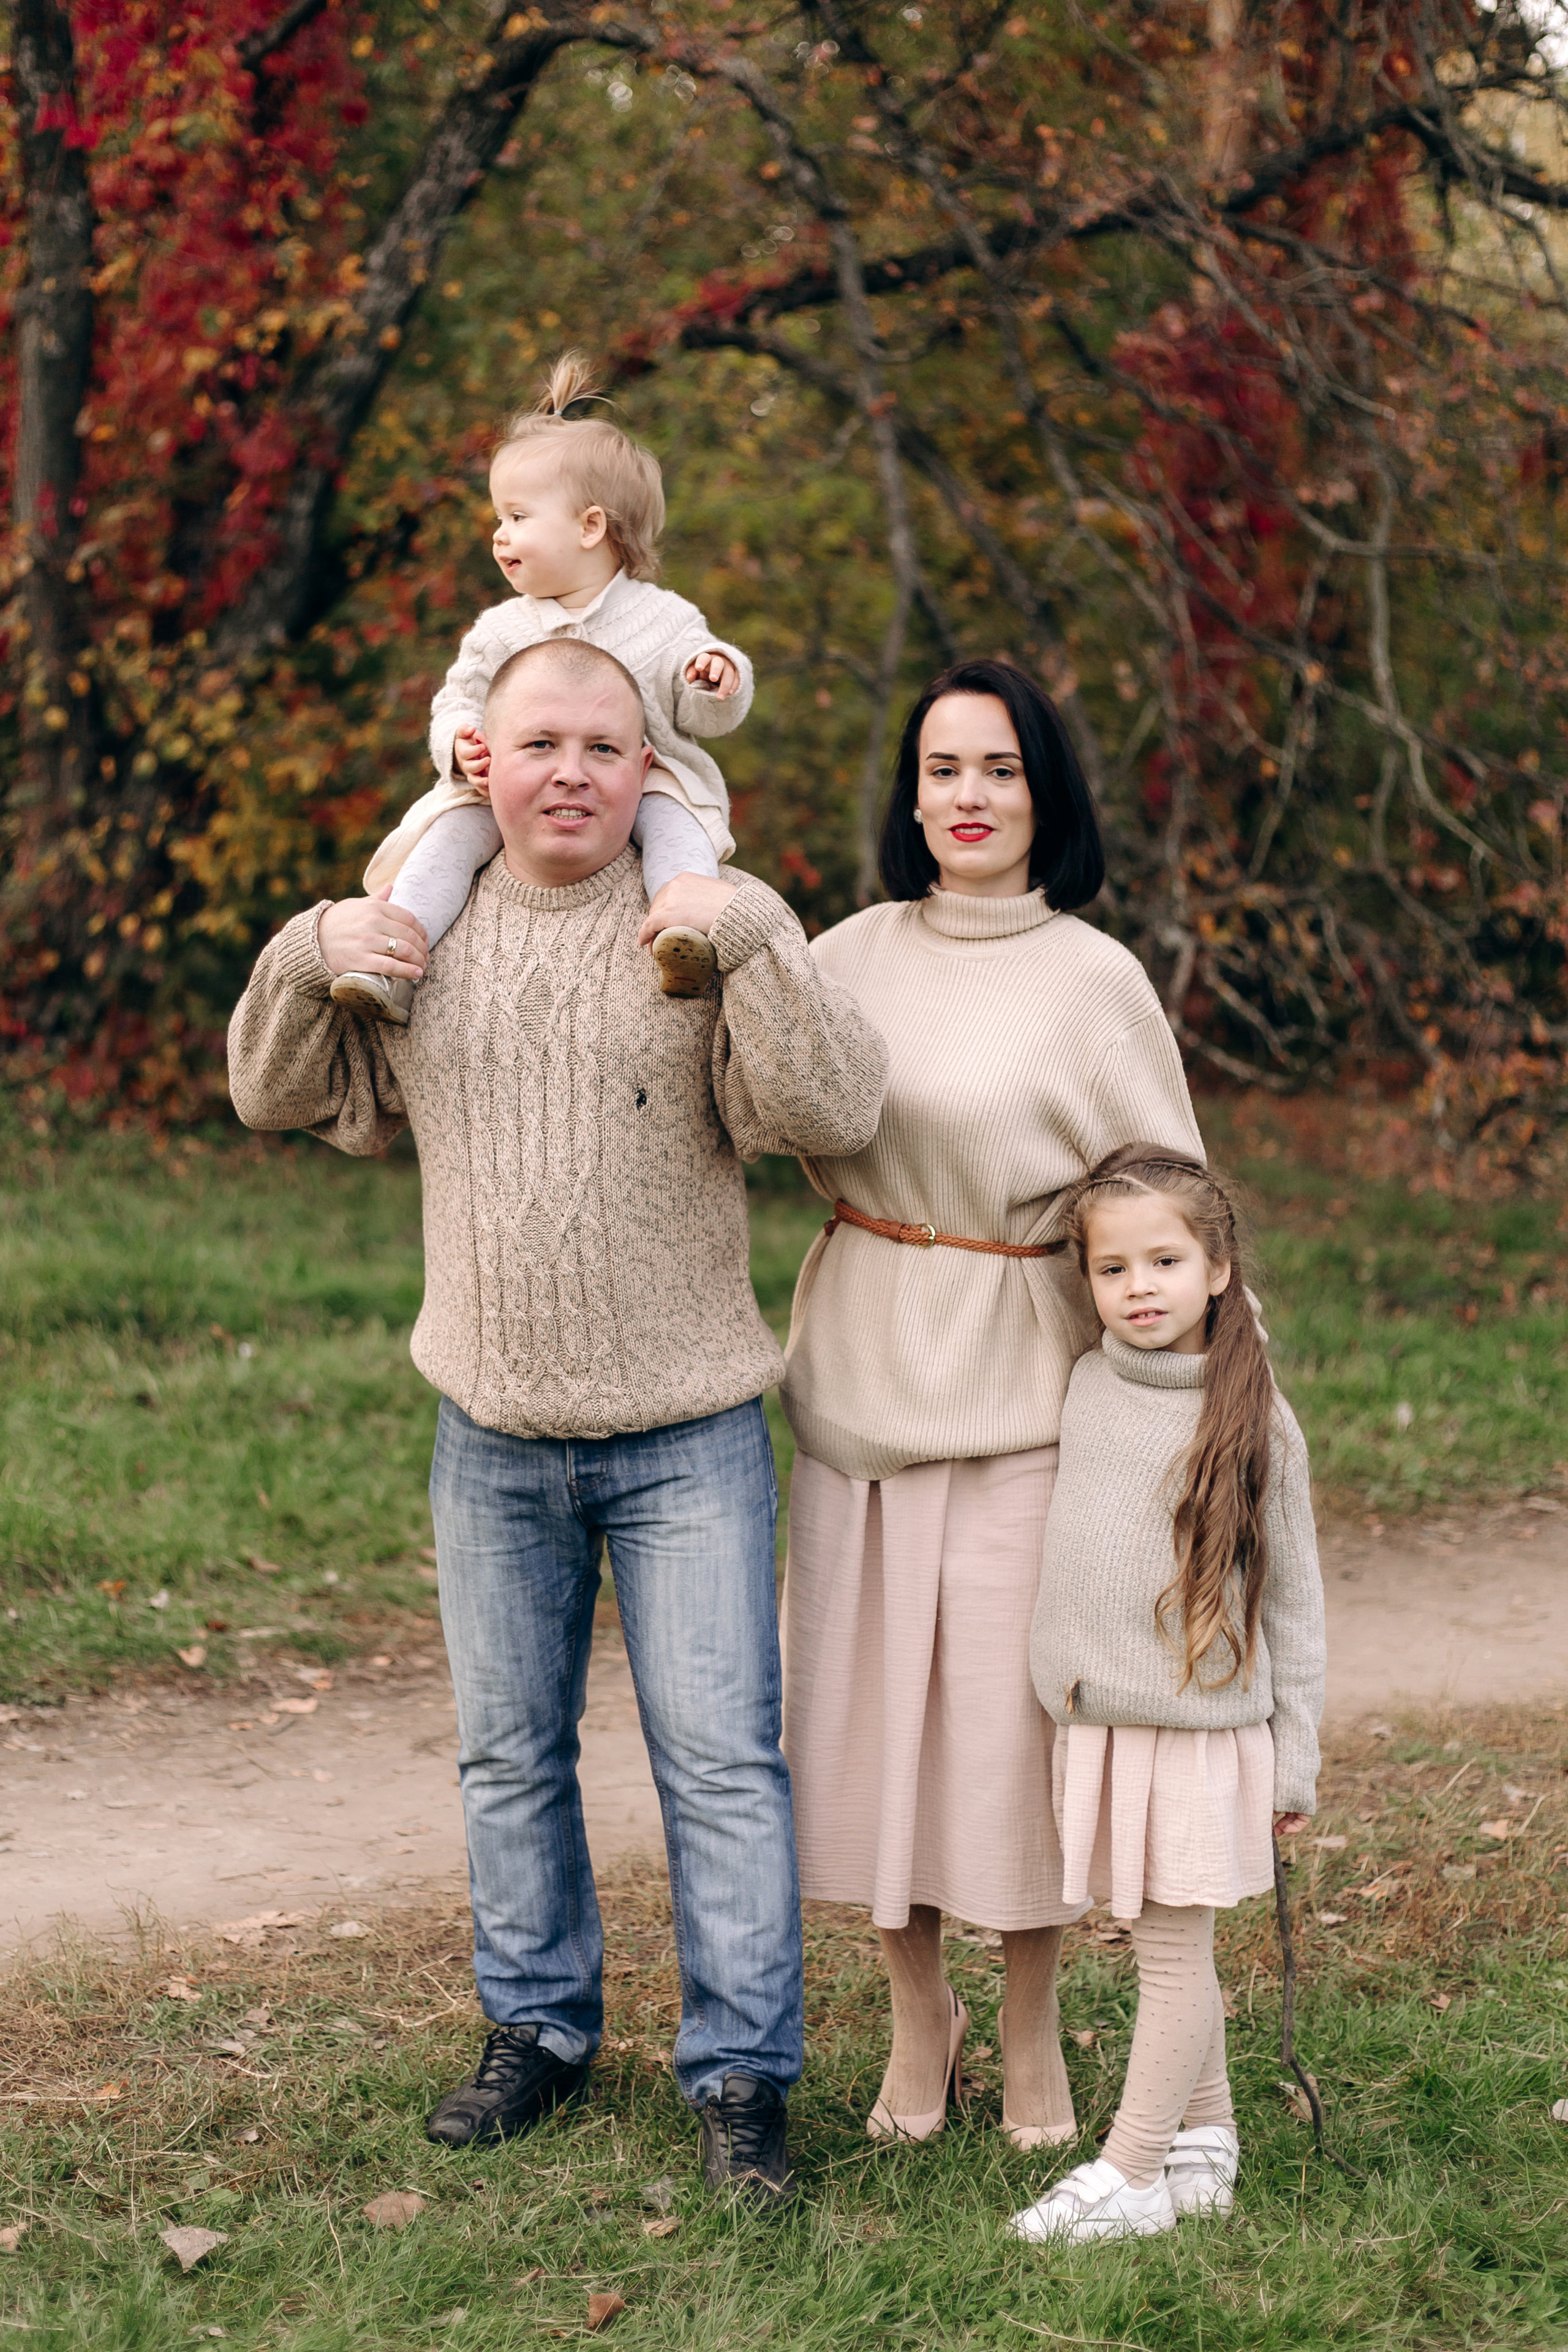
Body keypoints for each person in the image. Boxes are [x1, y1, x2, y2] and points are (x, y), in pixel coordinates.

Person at [226, 636, 888, 2204]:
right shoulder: (421, 930)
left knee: (721, 1762)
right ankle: (536, 2027)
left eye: (606, 743)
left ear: (648, 767)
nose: (572, 770)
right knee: (508, 1755)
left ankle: (739, 2077)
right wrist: (313, 941)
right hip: (493, 1425)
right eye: (541, 743)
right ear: (485, 761)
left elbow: (830, 1112)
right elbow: (271, 1090)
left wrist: (752, 945)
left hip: (686, 1433)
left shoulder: (699, 924)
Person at [779, 658, 1205, 2149]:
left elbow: (1174, 1193)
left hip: (1026, 1394)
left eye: (1000, 770)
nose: (968, 796)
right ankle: (916, 2020)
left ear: (1046, 798)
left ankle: (1028, 2032)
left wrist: (1227, 1410)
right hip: (856, 1383)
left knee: (1002, 1745)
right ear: (911, 791)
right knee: (863, 1726)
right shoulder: (836, 954)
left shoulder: (1091, 981)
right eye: (944, 768)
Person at [1010, 1144, 1325, 2245]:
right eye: (1112, 1269)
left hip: (1198, 1729)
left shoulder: (1251, 1417)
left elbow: (1295, 1602)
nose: (1138, 1287)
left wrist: (1297, 1756)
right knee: (1158, 1931)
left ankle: (1131, 2173)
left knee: (1171, 1953)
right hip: (1106, 1720)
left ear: (1220, 1268)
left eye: (1165, 1260)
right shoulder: (1090, 1382)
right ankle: (1209, 2135)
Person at [331, 352, 752, 1023]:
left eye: (518, 517)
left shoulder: (666, 618)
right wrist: (460, 746)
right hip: (510, 783)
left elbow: (701, 710)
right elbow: (459, 698)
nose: (500, 536)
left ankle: (685, 935)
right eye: (500, 518)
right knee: (446, 842)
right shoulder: (503, 629)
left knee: (678, 828)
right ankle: (392, 961)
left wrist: (715, 677)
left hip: (643, 779)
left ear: (589, 527)